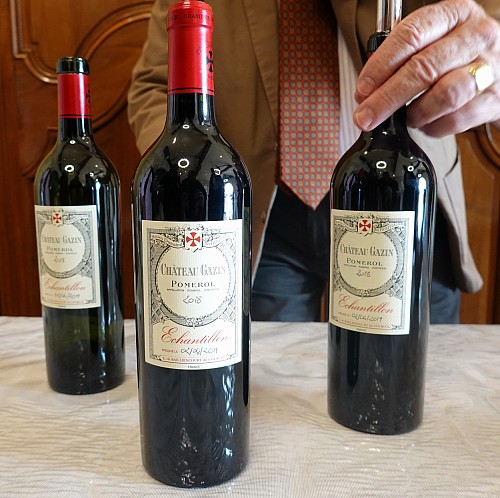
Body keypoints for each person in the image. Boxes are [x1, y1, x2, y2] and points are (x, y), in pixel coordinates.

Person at [127, 0, 500, 323]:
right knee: (274, 371)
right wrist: (197, 176)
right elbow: (153, 86)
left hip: (402, 194)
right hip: (266, 220)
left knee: (415, 371)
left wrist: (492, 54)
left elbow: (490, 23)